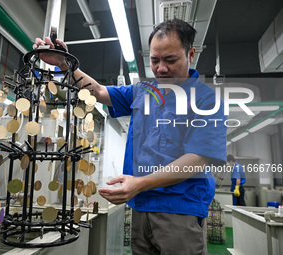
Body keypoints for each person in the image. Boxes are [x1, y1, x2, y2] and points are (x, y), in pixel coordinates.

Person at [34, 19, 227, 255]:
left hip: (180, 210)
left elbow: (198, 160)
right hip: (141, 206)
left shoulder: (206, 100)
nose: (161, 68)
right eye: (155, 60)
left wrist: (139, 184)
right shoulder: (143, 91)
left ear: (191, 54)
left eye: (170, 60)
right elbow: (101, 92)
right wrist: (65, 65)